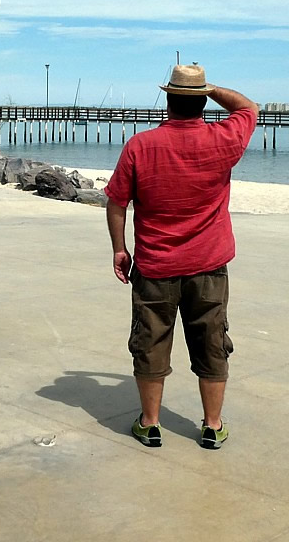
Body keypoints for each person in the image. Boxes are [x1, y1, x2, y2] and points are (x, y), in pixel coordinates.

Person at [103, 63, 257, 449]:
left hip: (155, 267)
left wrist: (120, 249)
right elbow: (248, 108)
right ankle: (212, 425)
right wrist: (209, 87)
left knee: (151, 342)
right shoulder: (223, 139)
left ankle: (150, 423)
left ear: (167, 101)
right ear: (202, 102)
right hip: (209, 265)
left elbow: (117, 202)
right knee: (211, 342)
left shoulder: (141, 145)